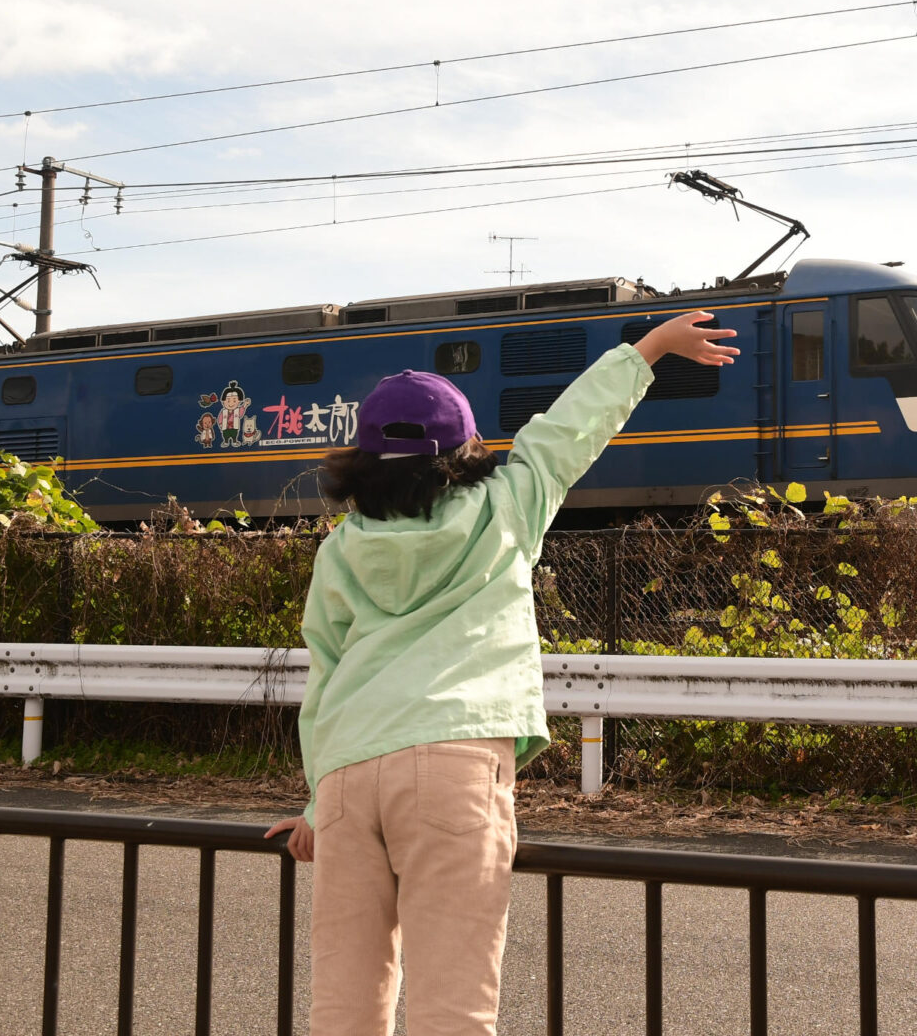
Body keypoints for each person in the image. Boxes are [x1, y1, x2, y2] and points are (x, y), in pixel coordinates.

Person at [266, 311, 738, 1036]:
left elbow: (325, 681)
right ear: (464, 451)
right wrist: (647, 350)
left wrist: (317, 807)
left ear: (360, 461)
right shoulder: (506, 507)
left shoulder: (341, 551)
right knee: (452, 1008)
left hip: (348, 776)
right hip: (455, 762)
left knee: (343, 1005)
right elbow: (570, 428)